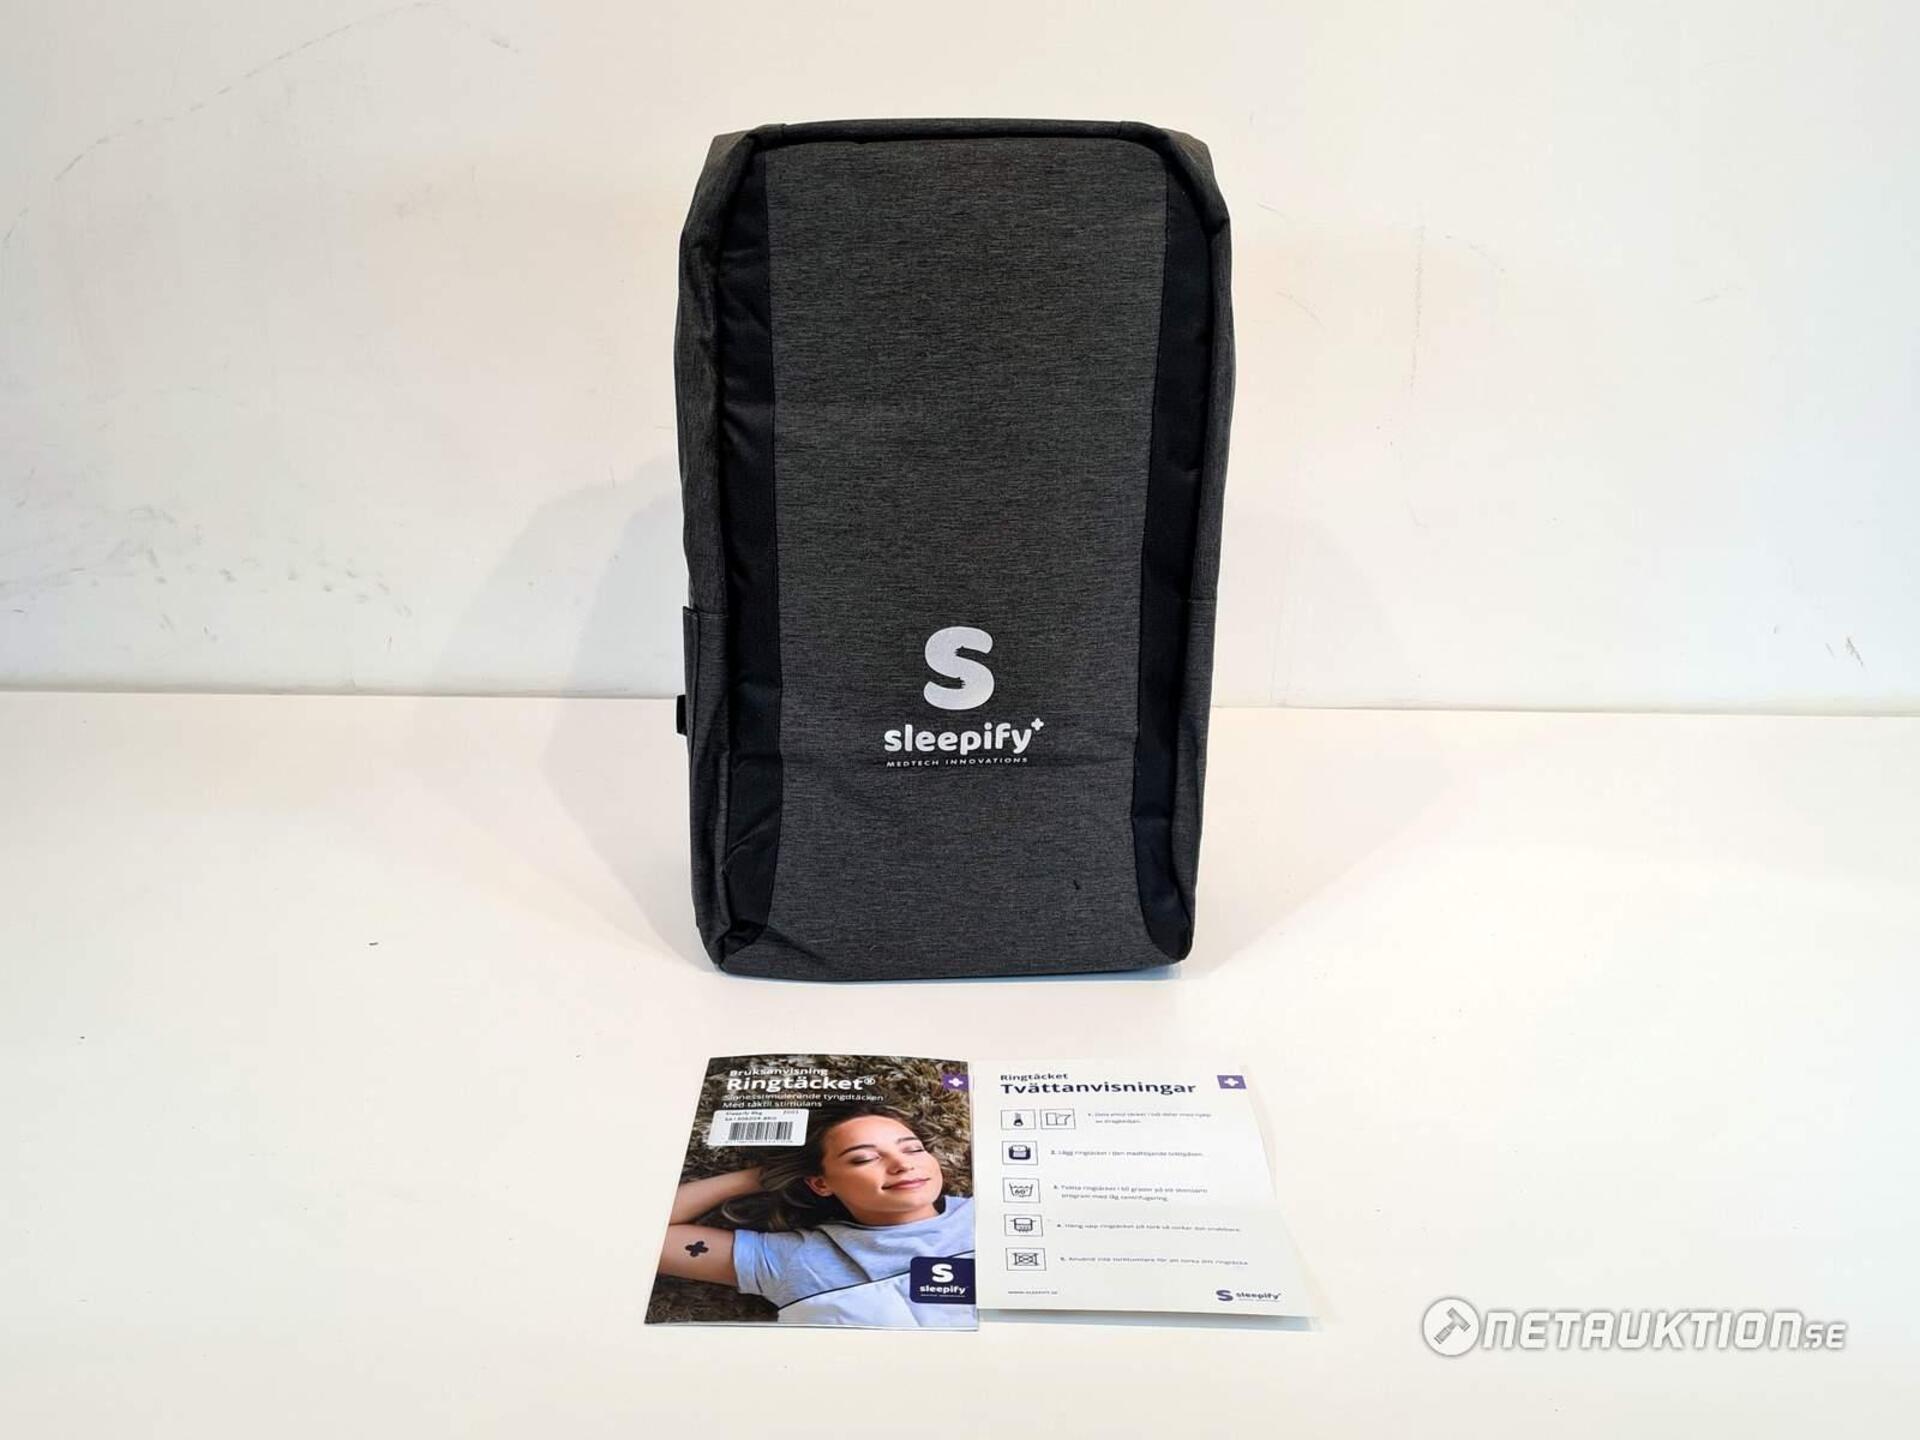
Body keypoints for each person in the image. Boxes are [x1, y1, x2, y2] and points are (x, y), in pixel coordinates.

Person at [657, 1101, 974, 1326]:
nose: (903, 1164)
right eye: (864, 1158)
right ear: (821, 1183)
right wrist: (764, 1176)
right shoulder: (796, 1260)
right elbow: (646, 1231)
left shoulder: (990, 1217)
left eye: (913, 1149)